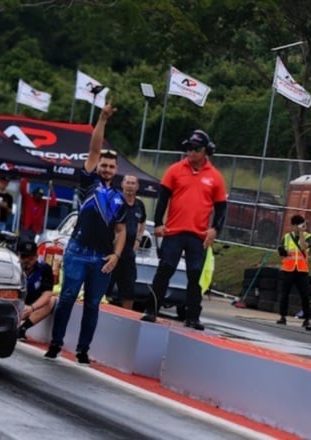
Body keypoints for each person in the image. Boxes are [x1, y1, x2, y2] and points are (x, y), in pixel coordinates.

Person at [44, 101, 126, 364]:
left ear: (116, 171)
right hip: (78, 252)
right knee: (67, 297)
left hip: (102, 258)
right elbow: (93, 149)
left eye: (111, 167)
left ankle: (82, 350)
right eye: (103, 165)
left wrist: (116, 256)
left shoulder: (119, 197)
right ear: (98, 165)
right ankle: (55, 344)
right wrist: (102, 120)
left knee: (92, 305)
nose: (106, 169)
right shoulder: (88, 183)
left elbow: (122, 230)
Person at [141, 129, 227, 331]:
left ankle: (192, 316)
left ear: (206, 150)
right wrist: (159, 222)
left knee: (194, 274)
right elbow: (163, 198)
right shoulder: (175, 170)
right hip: (174, 230)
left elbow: (221, 207)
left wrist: (215, 229)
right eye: (188, 148)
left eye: (196, 149)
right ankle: (151, 310)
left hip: (198, 235)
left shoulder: (215, 176)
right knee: (165, 269)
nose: (191, 152)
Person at [106, 175, 146, 310]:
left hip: (128, 255)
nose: (130, 185)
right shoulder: (115, 201)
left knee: (129, 292)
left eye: (133, 183)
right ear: (122, 184)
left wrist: (139, 239)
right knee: (105, 288)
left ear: (137, 187)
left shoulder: (139, 205)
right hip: (111, 252)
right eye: (127, 182)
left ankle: (126, 318)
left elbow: (143, 221)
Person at [276, 215, 311, 327]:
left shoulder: (308, 236)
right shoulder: (287, 237)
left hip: (302, 270)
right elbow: (280, 252)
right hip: (288, 269)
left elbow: (303, 247)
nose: (300, 227)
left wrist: (301, 233)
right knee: (284, 294)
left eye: (302, 225)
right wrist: (282, 251)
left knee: (305, 296)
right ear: (293, 226)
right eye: (298, 225)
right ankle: (282, 317)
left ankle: (307, 319)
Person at [17, 239, 57, 340]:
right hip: (15, 302)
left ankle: (22, 329)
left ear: (36, 257)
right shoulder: (13, 267)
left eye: (30, 258)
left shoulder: (45, 269)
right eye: (24, 257)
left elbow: (47, 294)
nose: (27, 261)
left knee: (51, 301)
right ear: (18, 256)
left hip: (31, 304)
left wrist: (31, 308)